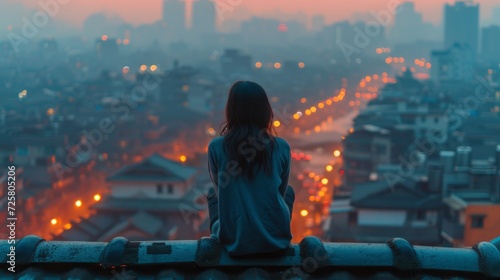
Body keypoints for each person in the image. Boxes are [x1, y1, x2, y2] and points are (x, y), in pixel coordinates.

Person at [206, 80, 295, 257]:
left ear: (231, 111)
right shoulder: (281, 147)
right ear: (265, 111)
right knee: (290, 192)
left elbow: (221, 194)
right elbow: (280, 192)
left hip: (234, 240)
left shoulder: (216, 147)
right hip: (276, 239)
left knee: (212, 194)